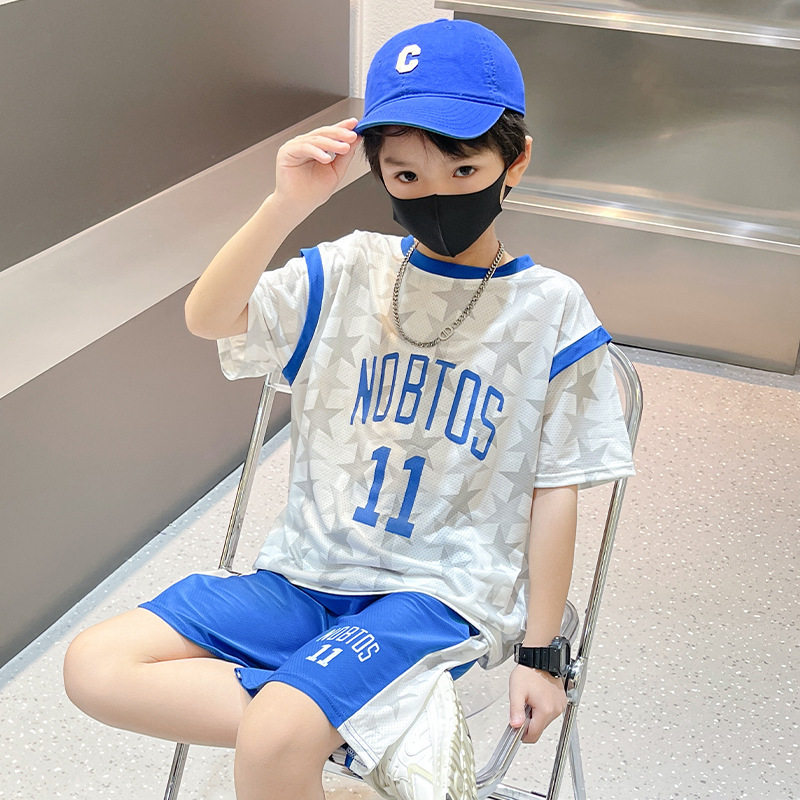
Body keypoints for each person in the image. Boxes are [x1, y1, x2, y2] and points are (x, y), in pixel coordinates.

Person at [63, 18, 634, 800]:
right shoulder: (349, 270)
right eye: (405, 175)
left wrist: (540, 657)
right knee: (95, 665)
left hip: (436, 594)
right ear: (380, 175)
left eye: (464, 169)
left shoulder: (553, 310)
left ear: (516, 161)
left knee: (278, 733)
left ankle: (318, 723)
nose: (437, 194)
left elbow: (555, 489)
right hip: (306, 573)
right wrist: (284, 203)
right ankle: (371, 724)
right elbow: (209, 317)